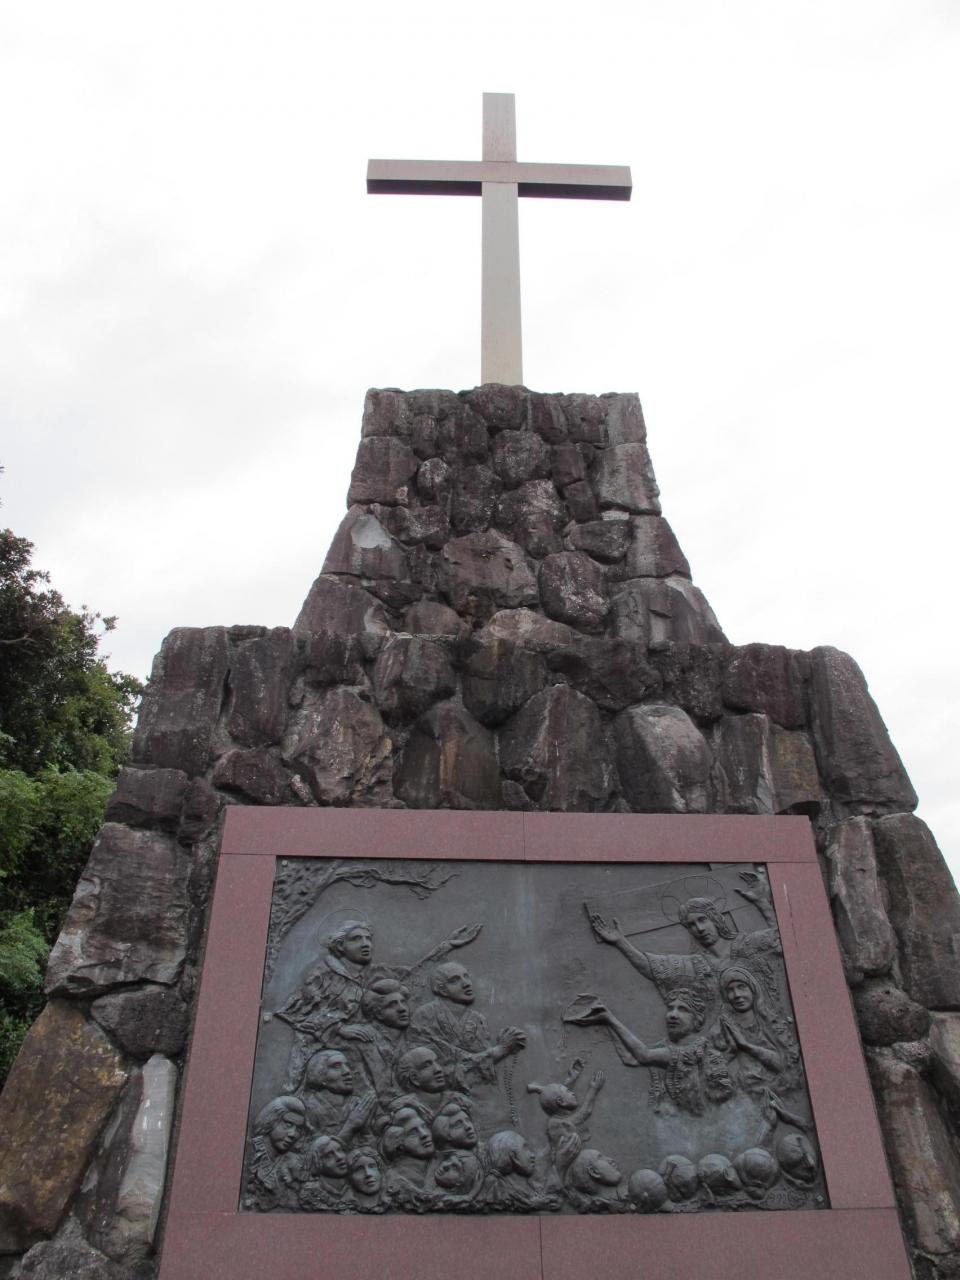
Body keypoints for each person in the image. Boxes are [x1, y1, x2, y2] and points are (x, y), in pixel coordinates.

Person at [587, 872, 782, 1007]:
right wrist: (620, 942)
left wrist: (762, 903)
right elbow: (652, 968)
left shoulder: (745, 944)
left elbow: (780, 939)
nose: (699, 928)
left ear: (715, 919)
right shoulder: (697, 965)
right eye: (691, 925)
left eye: (702, 920)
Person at [571, 989, 734, 1117]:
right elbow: (631, 1058)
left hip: (693, 1129)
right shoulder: (666, 1047)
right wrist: (606, 1022)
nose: (673, 1015)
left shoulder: (695, 1051)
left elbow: (644, 1055)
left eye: (683, 1009)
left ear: (697, 1020)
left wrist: (610, 1019)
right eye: (670, 1008)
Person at [410, 961, 526, 1085]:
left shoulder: (477, 1019)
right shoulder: (425, 1015)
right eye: (455, 980)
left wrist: (502, 1048)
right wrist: (500, 1050)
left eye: (466, 976)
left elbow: (486, 1069)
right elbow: (435, 1065)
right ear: (442, 989)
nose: (466, 983)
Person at [296, 1049, 376, 1142]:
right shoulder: (307, 1108)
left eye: (347, 1065)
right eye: (337, 1066)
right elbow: (314, 1149)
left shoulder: (358, 1105)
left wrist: (365, 1130)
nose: (347, 1071)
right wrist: (351, 1126)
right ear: (319, 1074)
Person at [246, 1096, 307, 1210]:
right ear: (271, 1120)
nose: (293, 1134)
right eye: (288, 1125)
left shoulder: (293, 1163)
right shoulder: (248, 1155)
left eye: (298, 1129)